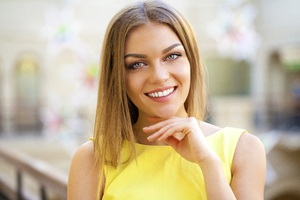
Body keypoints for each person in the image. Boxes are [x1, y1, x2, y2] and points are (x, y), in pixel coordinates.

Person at [67, 0, 266, 199]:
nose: (159, 76)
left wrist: (209, 163)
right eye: (137, 64)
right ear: (118, 77)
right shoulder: (92, 159)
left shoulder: (244, 150)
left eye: (172, 56)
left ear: (192, 62)